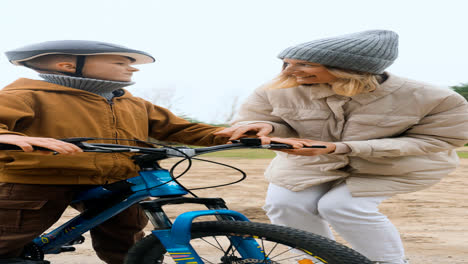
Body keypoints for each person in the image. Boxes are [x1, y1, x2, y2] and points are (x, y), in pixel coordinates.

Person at [215, 30, 468, 264]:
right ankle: (314, 260)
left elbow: (441, 140)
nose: (290, 71)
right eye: (287, 62)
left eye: (304, 64)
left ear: (350, 68)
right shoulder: (277, 89)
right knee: (284, 205)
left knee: (342, 206)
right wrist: (263, 127)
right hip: (310, 163)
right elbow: (256, 118)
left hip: (392, 166)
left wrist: (342, 148)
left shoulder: (434, 98)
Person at [0, 40, 231, 264]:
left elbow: (181, 128)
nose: (132, 67)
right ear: (68, 66)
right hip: (38, 180)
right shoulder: (26, 95)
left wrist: (232, 133)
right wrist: (7, 137)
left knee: (128, 242)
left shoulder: (132, 102)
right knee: (8, 238)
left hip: (117, 181)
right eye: (120, 63)